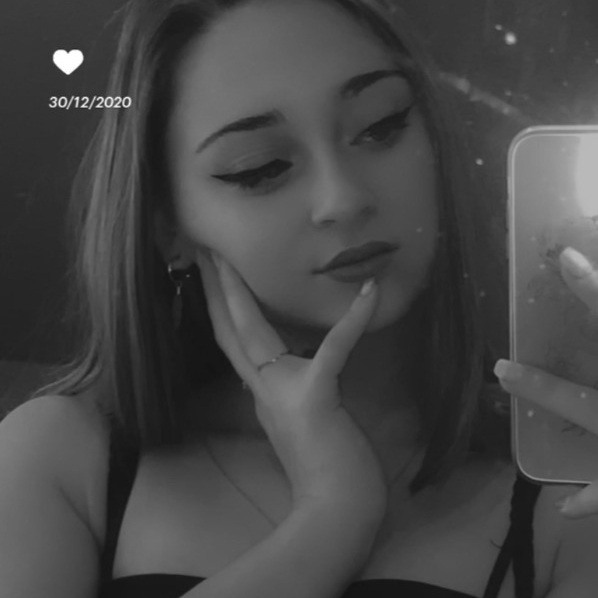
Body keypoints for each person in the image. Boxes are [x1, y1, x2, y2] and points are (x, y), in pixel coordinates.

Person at [2, 0, 598, 597]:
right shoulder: (61, 457)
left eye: (381, 126)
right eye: (260, 169)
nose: (343, 198)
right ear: (167, 228)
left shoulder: (570, 498)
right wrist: (331, 515)